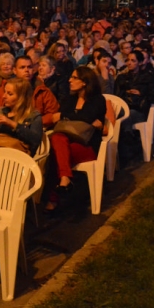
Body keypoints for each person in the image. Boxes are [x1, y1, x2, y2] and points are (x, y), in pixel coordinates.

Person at [45, 67, 107, 213]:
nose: (69, 80)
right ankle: (65, 179)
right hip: (67, 144)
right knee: (58, 140)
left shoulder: (98, 99)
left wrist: (66, 116)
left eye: (74, 78)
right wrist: (79, 117)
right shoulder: (70, 99)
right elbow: (83, 117)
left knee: (57, 149)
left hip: (87, 146)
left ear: (84, 82)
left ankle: (53, 198)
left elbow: (87, 116)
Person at [0, 76, 43, 156]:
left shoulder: (34, 116)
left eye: (9, 94)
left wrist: (12, 124)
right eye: (5, 92)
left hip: (19, 160)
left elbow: (34, 140)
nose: (4, 96)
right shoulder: (0, 112)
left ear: (22, 97)